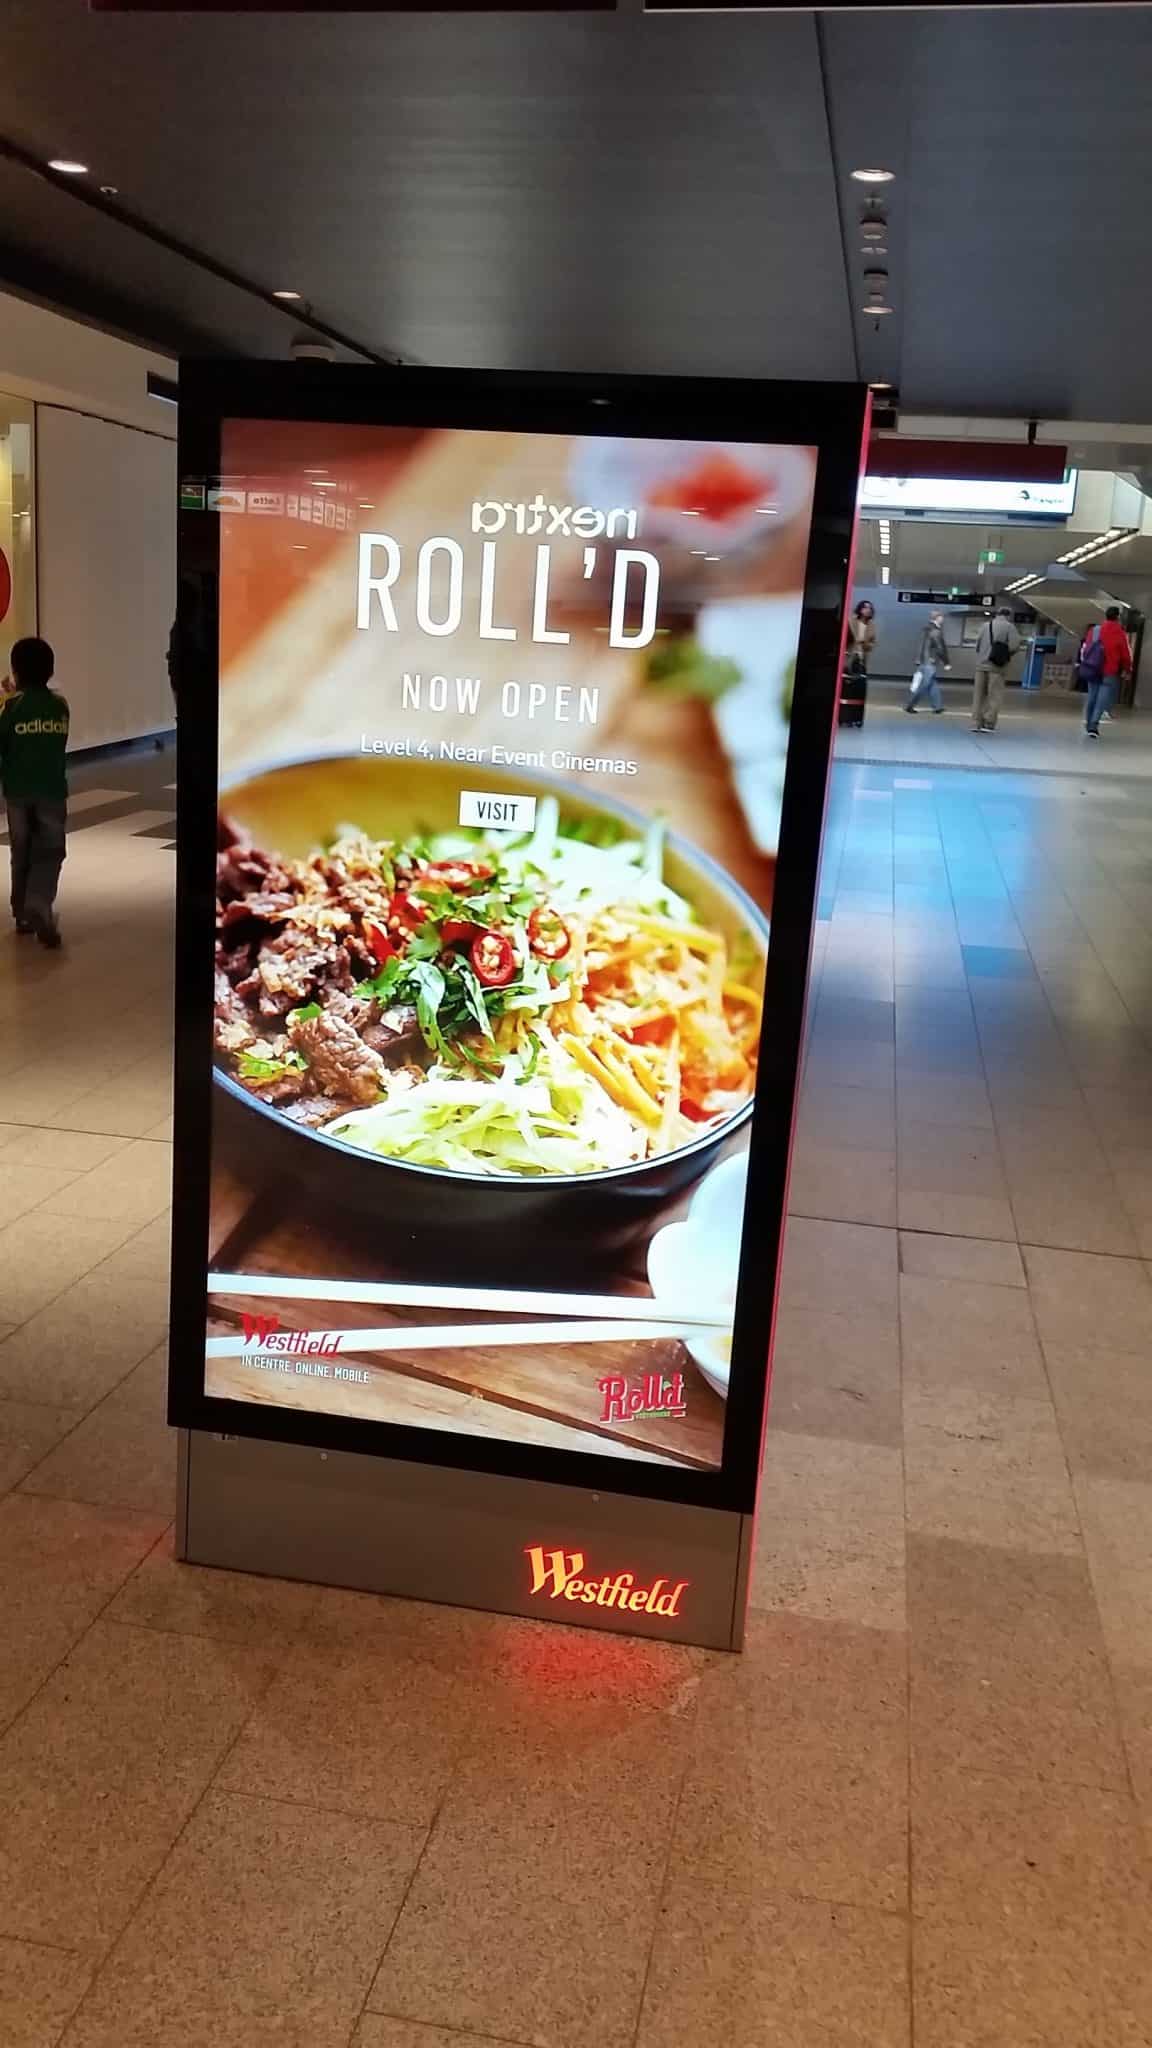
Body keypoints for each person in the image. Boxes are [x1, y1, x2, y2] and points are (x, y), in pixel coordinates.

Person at [0, 637, 69, 948]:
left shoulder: (12, 707)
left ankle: (22, 914)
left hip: (17, 791)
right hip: (51, 791)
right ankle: (39, 902)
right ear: (50, 671)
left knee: (21, 851)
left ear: (16, 671)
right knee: (50, 850)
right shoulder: (60, 707)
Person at [1082, 607, 1132, 739]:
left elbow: (1086, 649)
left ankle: (1088, 723)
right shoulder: (1120, 633)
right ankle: (1093, 725)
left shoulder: (1095, 630)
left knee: (1092, 697)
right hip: (1110, 671)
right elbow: (1125, 654)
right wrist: (1127, 669)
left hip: (1093, 668)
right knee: (1101, 700)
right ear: (1118, 617)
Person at [971, 607, 1021, 733]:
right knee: (994, 696)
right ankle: (989, 723)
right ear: (1008, 615)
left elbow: (977, 645)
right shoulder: (1009, 627)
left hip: (981, 665)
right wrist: (1004, 654)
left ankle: (976, 722)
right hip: (996, 667)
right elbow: (1015, 645)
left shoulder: (985, 626)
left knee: (978, 696)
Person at [905, 610, 950, 714]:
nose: (943, 619)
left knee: (932, 684)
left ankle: (937, 706)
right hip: (930, 662)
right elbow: (940, 648)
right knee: (923, 685)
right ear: (938, 618)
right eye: (942, 617)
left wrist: (918, 658)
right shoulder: (935, 631)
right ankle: (909, 705)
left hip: (923, 660)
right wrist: (946, 662)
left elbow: (921, 645)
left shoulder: (926, 628)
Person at [848, 600, 877, 672]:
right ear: (860, 609)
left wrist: (867, 644)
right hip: (849, 654)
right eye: (865, 607)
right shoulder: (851, 622)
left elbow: (873, 642)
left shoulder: (871, 625)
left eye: (870, 608)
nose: (868, 610)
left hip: (862, 657)